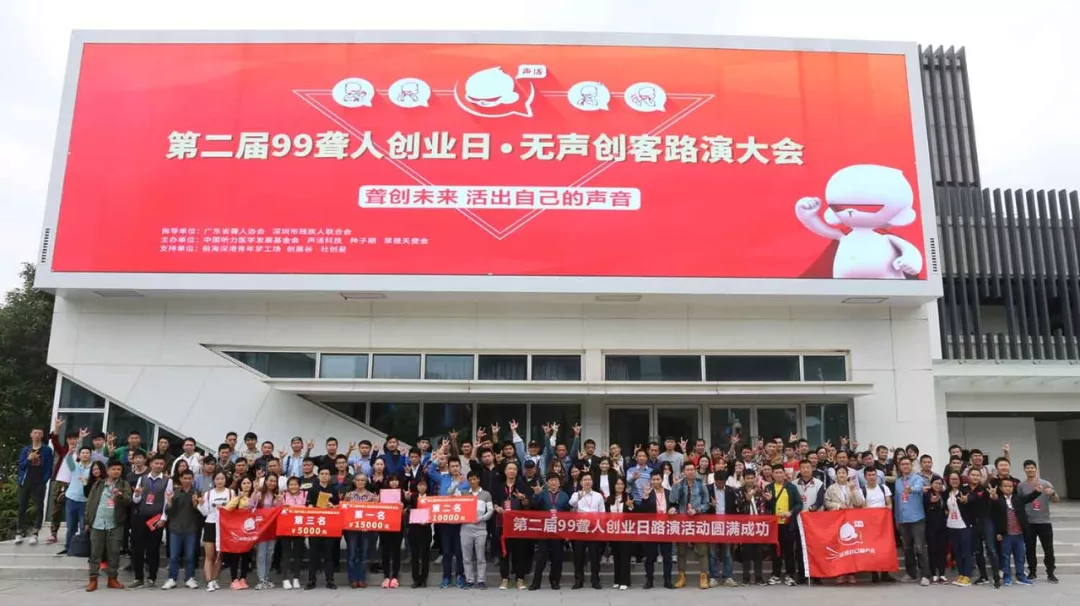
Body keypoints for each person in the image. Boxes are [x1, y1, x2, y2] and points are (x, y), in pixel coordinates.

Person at [84, 459, 131, 592]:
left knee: (114, 553)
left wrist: (120, 496)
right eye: (114, 469)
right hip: (97, 522)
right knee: (95, 553)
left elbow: (128, 501)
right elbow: (90, 502)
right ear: (108, 470)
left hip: (115, 523)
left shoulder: (124, 484)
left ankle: (112, 579)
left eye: (119, 469)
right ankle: (93, 580)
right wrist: (88, 521)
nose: (116, 472)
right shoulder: (99, 484)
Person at [128, 454, 172, 588]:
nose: (158, 466)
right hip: (141, 517)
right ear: (151, 464)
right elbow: (136, 500)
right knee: (138, 548)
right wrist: (137, 494)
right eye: (156, 463)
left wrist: (163, 518)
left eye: (161, 464)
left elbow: (167, 502)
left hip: (156, 518)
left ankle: (152, 577)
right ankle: (138, 577)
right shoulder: (142, 479)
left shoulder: (167, 481)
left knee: (153, 549)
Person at [991, 476, 1044, 586]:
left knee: (1020, 557)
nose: (1008, 488)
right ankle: (1007, 577)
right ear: (1000, 488)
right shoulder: (998, 500)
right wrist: (998, 532)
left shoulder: (1017, 499)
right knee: (1005, 557)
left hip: (1019, 534)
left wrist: (1037, 492)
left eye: (1010, 486)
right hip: (1006, 535)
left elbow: (1028, 498)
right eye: (1005, 486)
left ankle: (1020, 576)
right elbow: (995, 518)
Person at [670, 461, 709, 589]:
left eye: (692, 469)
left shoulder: (701, 485)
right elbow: (672, 500)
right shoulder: (680, 484)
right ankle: (681, 577)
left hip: (698, 521)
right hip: (682, 521)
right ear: (684, 472)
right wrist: (675, 486)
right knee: (681, 551)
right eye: (688, 470)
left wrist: (696, 510)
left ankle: (703, 577)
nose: (690, 472)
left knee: (702, 550)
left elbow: (707, 504)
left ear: (695, 471)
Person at [1018, 459, 1059, 583]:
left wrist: (1053, 493)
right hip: (1029, 522)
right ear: (1024, 470)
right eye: (1027, 468)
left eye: (1032, 467)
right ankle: (1032, 572)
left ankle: (1050, 572)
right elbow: (1019, 502)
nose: (1030, 470)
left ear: (1036, 469)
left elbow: (1056, 500)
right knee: (1030, 549)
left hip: (1044, 521)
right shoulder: (1021, 486)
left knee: (1048, 549)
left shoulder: (1045, 483)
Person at [529, 472, 571, 590]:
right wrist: (536, 494)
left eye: (555, 480)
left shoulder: (564, 495)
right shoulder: (542, 494)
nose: (553, 482)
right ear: (547, 482)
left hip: (558, 530)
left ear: (559, 483)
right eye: (551, 480)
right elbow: (534, 506)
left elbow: (568, 513)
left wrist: (567, 532)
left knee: (557, 557)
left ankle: (555, 581)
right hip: (544, 529)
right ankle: (536, 583)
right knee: (541, 557)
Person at [493, 460, 531, 589]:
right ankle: (505, 578)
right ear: (505, 471)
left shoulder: (522, 486)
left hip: (518, 524)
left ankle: (520, 578)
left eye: (514, 469)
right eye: (509, 469)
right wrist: (497, 508)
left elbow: (528, 504)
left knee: (519, 552)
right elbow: (494, 502)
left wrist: (523, 498)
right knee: (504, 552)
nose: (512, 471)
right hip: (503, 523)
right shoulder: (499, 487)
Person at [893, 456, 931, 586]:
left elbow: (920, 487)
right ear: (899, 466)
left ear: (912, 465)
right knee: (907, 548)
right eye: (903, 464)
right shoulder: (898, 482)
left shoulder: (917, 478)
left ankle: (925, 575)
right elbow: (897, 501)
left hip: (916, 518)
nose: (905, 466)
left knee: (920, 548)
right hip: (903, 519)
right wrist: (897, 518)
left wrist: (911, 489)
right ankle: (911, 574)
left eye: (907, 464)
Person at [824, 466, 865, 584]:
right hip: (836, 520)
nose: (841, 475)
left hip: (850, 521)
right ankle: (840, 573)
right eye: (839, 473)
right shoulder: (831, 488)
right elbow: (826, 502)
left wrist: (853, 490)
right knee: (838, 547)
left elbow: (859, 503)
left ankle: (851, 573)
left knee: (851, 548)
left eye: (843, 473)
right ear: (836, 475)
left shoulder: (853, 486)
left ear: (847, 475)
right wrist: (838, 506)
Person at [764, 463, 802, 587]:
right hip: (774, 525)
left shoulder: (791, 487)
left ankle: (790, 575)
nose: (779, 475)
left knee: (789, 551)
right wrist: (769, 500)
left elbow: (799, 504)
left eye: (781, 472)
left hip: (788, 524)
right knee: (775, 551)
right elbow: (767, 507)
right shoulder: (769, 487)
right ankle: (776, 574)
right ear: (772, 474)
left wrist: (790, 512)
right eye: (776, 473)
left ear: (784, 474)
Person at [15, 426, 54, 545]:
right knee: (22, 507)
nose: (37, 435)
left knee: (39, 507)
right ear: (31, 435)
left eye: (39, 433)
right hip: (25, 481)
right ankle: (19, 532)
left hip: (39, 482)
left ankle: (35, 533)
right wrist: (29, 459)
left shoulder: (47, 450)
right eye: (35, 433)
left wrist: (44, 480)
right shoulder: (25, 450)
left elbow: (49, 467)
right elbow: (21, 466)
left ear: (42, 436)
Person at [163, 469, 201, 589]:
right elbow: (169, 512)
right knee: (174, 556)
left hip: (191, 528)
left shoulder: (196, 493)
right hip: (176, 528)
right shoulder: (175, 493)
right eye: (185, 478)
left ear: (193, 479)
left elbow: (201, 512)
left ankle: (189, 578)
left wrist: (196, 504)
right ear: (180, 479)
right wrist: (169, 502)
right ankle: (172, 578)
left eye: (189, 478)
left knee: (190, 555)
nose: (187, 481)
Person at [965, 467, 1001, 587]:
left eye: (977, 475)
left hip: (986, 521)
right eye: (973, 475)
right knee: (978, 551)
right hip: (972, 523)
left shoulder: (985, 488)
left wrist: (994, 496)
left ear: (980, 477)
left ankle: (996, 577)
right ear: (968, 476)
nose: (975, 477)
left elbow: (994, 499)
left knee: (991, 549)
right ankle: (983, 576)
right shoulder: (964, 489)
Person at [197, 471, 232, 591]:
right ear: (214, 481)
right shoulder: (208, 494)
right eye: (217, 479)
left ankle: (214, 579)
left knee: (219, 555)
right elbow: (205, 512)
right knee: (209, 555)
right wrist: (201, 504)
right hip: (210, 524)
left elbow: (233, 509)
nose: (220, 481)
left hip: (224, 525)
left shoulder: (230, 493)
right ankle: (209, 581)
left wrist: (224, 509)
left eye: (222, 478)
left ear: (225, 480)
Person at [638, 470, 674, 589]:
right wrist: (645, 497)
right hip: (652, 528)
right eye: (653, 479)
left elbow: (675, 504)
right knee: (650, 557)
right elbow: (642, 511)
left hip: (666, 528)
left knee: (667, 557)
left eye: (658, 479)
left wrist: (674, 509)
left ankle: (667, 580)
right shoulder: (648, 492)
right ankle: (649, 580)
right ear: (650, 481)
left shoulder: (669, 492)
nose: (656, 481)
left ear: (662, 480)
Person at [458, 470, 493, 589]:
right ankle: (469, 579)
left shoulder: (486, 494)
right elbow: (450, 494)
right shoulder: (464, 494)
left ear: (478, 479)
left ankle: (481, 580)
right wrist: (457, 483)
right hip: (466, 527)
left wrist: (481, 518)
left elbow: (490, 511)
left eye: (474, 479)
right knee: (466, 556)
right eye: (470, 480)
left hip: (480, 528)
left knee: (480, 556)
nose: (472, 481)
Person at [306, 466, 340, 590]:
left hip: (329, 526)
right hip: (315, 525)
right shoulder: (313, 489)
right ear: (318, 475)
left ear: (330, 476)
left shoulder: (333, 490)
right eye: (322, 473)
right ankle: (311, 580)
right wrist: (315, 508)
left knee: (328, 555)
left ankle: (330, 580)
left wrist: (332, 506)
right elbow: (308, 505)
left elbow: (338, 506)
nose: (324, 476)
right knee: (314, 554)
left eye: (326, 473)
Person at [569, 473, 605, 590]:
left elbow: (602, 513)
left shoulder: (598, 496)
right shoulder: (576, 494)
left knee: (595, 557)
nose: (587, 482)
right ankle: (578, 580)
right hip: (580, 529)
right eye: (585, 480)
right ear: (581, 482)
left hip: (594, 530)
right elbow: (570, 506)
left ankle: (595, 580)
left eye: (589, 479)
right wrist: (578, 498)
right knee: (578, 556)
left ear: (592, 482)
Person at [861, 467, 896, 583]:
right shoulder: (862, 490)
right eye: (869, 475)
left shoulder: (884, 488)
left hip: (884, 524)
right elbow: (863, 507)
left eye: (873, 475)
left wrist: (884, 511)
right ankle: (874, 573)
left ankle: (885, 573)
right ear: (865, 477)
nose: (872, 477)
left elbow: (889, 504)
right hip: (870, 524)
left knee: (885, 548)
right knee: (872, 549)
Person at [342, 473, 378, 588]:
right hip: (352, 529)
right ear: (354, 482)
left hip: (366, 529)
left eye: (363, 480)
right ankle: (352, 579)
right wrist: (345, 501)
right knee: (351, 555)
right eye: (358, 480)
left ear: (366, 482)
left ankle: (361, 579)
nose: (360, 482)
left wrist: (376, 503)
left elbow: (375, 512)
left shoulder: (371, 496)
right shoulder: (349, 495)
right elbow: (344, 511)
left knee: (363, 555)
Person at [707, 469, 741, 587]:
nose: (720, 485)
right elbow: (702, 506)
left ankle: (728, 577)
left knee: (727, 553)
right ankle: (713, 577)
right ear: (714, 480)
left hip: (727, 525)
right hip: (712, 525)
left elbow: (734, 509)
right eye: (718, 483)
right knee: (713, 553)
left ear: (726, 481)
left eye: (722, 483)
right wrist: (710, 505)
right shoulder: (708, 489)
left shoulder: (731, 491)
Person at [251, 473, 282, 590]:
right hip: (262, 527)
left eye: (274, 481)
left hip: (273, 527)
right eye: (270, 480)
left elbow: (281, 510)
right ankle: (261, 579)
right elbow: (251, 505)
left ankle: (266, 577)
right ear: (265, 481)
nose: (272, 483)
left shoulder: (278, 495)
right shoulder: (260, 494)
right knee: (261, 554)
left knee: (270, 553)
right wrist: (255, 491)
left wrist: (280, 501)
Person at [941, 471, 973, 586]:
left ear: (960, 480)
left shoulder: (965, 491)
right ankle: (961, 574)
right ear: (948, 481)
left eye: (956, 479)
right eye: (952, 479)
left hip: (964, 525)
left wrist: (966, 501)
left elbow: (971, 501)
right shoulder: (946, 493)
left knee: (966, 551)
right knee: (957, 552)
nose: (954, 481)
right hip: (951, 525)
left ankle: (967, 576)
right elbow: (944, 507)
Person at [222, 476, 255, 589]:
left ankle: (243, 578)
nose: (246, 485)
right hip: (237, 531)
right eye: (244, 483)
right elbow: (227, 508)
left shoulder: (254, 496)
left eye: (248, 482)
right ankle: (234, 579)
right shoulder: (237, 497)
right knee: (234, 556)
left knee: (246, 556)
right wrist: (239, 497)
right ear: (240, 485)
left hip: (249, 531)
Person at [61, 446, 93, 556]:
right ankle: (68, 547)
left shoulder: (93, 468)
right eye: (83, 453)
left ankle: (82, 549)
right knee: (71, 526)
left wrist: (86, 481)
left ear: (90, 455)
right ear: (79, 455)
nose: (85, 455)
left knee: (84, 526)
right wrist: (70, 453)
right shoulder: (75, 466)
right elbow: (69, 461)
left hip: (85, 501)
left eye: (87, 453)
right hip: (71, 499)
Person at [737, 469, 767, 586]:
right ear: (744, 479)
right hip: (745, 526)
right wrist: (747, 500)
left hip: (759, 526)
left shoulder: (760, 491)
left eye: (752, 478)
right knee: (746, 553)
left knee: (759, 553)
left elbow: (765, 507)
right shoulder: (739, 492)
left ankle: (759, 578)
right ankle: (746, 578)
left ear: (755, 478)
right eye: (747, 478)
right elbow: (737, 508)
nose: (750, 480)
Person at [380, 475, 408, 588]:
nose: (394, 482)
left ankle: (395, 577)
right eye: (392, 480)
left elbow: (408, 509)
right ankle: (386, 576)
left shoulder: (403, 494)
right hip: (385, 526)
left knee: (396, 551)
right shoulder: (383, 493)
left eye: (396, 480)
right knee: (385, 552)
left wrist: (404, 506)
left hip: (398, 526)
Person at [279, 476, 306, 590]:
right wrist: (281, 504)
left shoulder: (305, 495)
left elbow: (309, 508)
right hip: (285, 528)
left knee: (298, 553)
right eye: (291, 484)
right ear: (287, 486)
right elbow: (277, 510)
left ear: (299, 485)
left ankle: (296, 577)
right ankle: (285, 578)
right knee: (286, 553)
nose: (293, 487)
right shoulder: (282, 495)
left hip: (299, 528)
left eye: (295, 484)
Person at [607, 477, 634, 590]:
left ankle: (625, 581)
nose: (619, 486)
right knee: (616, 556)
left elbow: (634, 514)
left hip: (625, 531)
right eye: (617, 484)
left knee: (624, 556)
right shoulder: (609, 498)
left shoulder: (628, 497)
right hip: (613, 531)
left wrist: (630, 506)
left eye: (622, 484)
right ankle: (617, 580)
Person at [407, 477, 433, 588]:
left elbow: (434, 512)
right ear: (417, 487)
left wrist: (427, 522)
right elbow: (408, 509)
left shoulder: (431, 498)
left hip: (426, 529)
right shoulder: (412, 497)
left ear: (427, 486)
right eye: (420, 485)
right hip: (414, 529)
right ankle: (416, 579)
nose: (422, 487)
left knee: (425, 555)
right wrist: (407, 500)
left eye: (424, 485)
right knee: (415, 555)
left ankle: (424, 578)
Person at [922, 475, 949, 584]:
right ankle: (933, 574)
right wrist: (931, 502)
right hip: (930, 526)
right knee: (932, 550)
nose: (938, 485)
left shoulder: (943, 494)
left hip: (942, 526)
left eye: (940, 483)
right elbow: (924, 506)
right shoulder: (926, 495)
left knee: (942, 550)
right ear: (931, 484)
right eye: (936, 483)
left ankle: (942, 573)